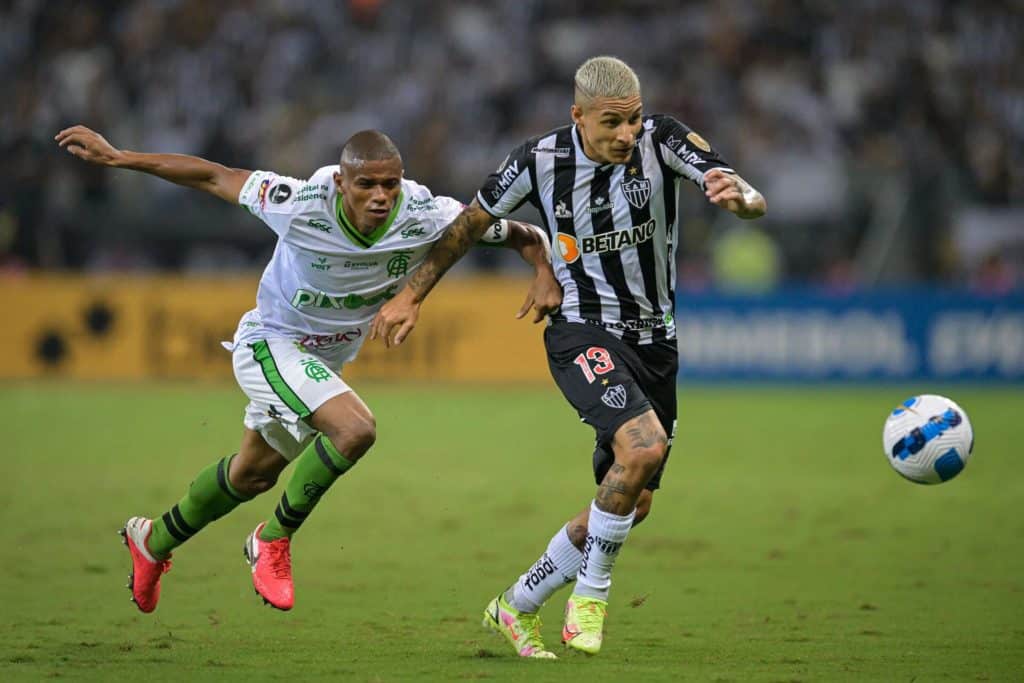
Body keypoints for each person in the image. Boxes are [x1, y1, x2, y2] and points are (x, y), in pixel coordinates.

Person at [54, 125, 561, 614]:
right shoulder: (299, 203)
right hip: (271, 344)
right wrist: (121, 158)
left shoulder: (426, 215)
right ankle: (272, 538)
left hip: (323, 361)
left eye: (390, 183)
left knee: (251, 476)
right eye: (366, 184)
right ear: (341, 183)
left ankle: (153, 540)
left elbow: (522, 233)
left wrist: (542, 268)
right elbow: (212, 175)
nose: (381, 195)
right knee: (355, 428)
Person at [371, 55, 766, 658]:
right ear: (577, 116)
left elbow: (737, 186)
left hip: (656, 343)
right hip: (582, 331)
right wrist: (410, 294)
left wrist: (741, 198)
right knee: (643, 446)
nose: (627, 135)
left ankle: (516, 605)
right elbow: (471, 224)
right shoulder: (537, 160)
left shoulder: (662, 140)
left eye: (632, 120)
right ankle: (591, 596)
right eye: (612, 123)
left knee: (634, 501)